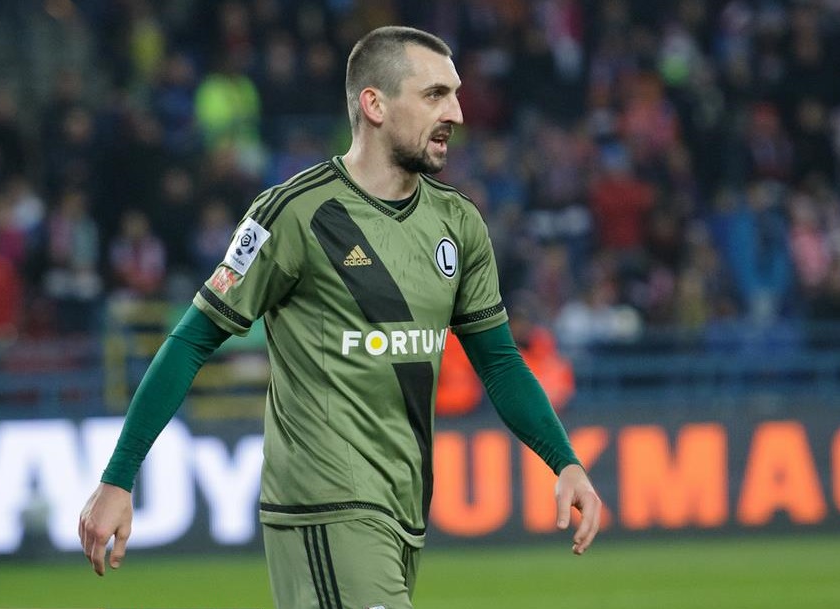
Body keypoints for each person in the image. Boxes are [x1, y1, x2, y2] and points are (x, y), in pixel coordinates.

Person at [79, 25, 601, 608]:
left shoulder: (459, 223)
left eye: (455, 95)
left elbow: (500, 362)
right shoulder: (293, 214)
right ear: (374, 104)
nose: (455, 112)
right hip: (322, 507)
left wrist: (565, 462)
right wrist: (119, 476)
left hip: (403, 510)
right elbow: (191, 340)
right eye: (435, 95)